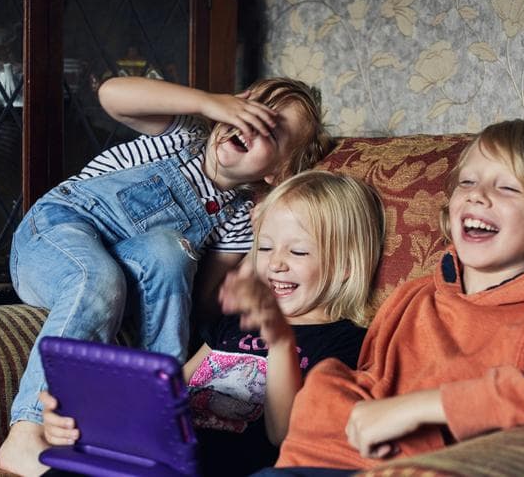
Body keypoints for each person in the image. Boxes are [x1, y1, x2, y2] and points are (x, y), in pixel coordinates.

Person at [0, 76, 333, 476]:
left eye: (271, 131)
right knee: (99, 276)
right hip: (52, 235)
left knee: (172, 254)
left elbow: (204, 303)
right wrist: (208, 101)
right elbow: (111, 94)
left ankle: (151, 422)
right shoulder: (182, 136)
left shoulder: (240, 217)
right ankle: (26, 432)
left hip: (124, 273)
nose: (250, 123)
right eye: (250, 107)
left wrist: (262, 238)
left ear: (278, 171)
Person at [255, 120, 524, 475]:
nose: (477, 196)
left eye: (507, 188)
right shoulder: (414, 295)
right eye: (466, 182)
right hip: (311, 461)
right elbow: (371, 384)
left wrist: (427, 407)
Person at [40, 171, 387, 477]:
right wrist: (89, 415)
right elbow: (171, 394)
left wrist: (280, 341)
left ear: (346, 265)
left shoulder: (347, 344)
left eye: (298, 252)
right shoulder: (235, 323)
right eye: (264, 248)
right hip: (161, 458)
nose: (276, 264)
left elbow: (286, 437)